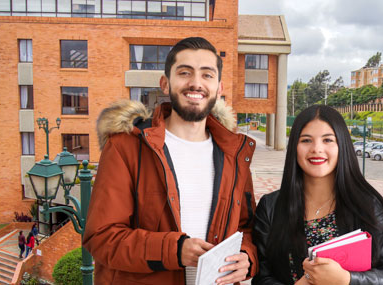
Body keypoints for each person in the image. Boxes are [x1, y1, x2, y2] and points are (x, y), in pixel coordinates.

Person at [83, 37, 258, 284]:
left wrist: (247, 257)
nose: (196, 83)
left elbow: (246, 229)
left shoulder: (234, 154)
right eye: (185, 73)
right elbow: (101, 237)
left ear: (219, 88)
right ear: (165, 84)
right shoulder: (126, 147)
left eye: (207, 75)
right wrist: (174, 250)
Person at [253, 105, 383, 284]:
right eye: (306, 140)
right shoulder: (270, 207)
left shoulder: (368, 205)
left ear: (342, 145)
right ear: (294, 146)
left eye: (327, 140)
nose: (316, 149)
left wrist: (346, 279)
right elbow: (262, 277)